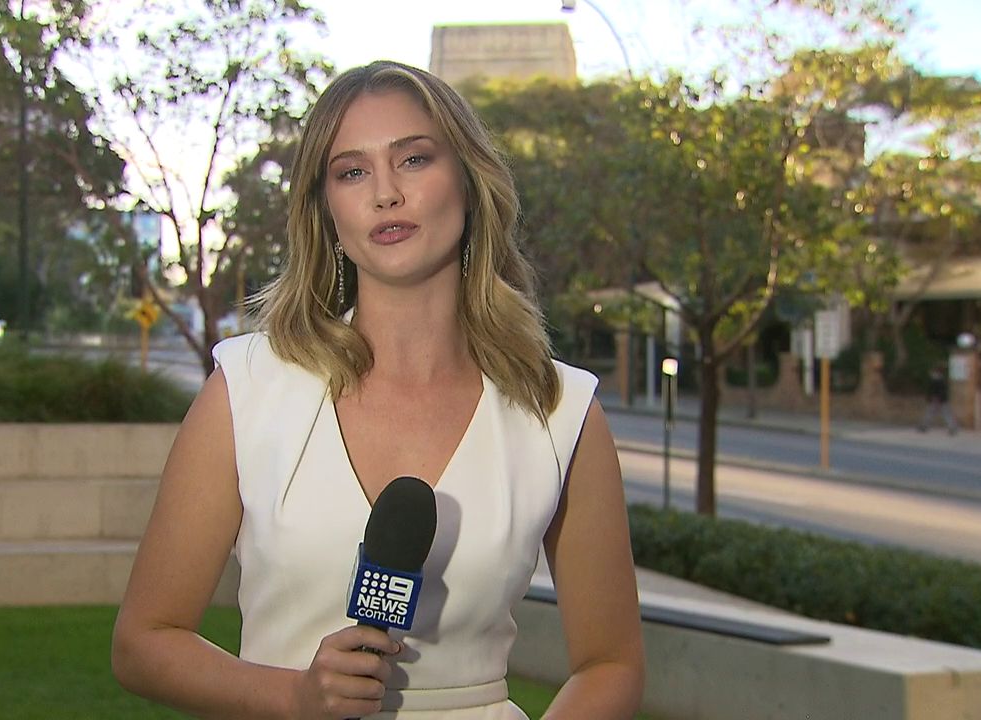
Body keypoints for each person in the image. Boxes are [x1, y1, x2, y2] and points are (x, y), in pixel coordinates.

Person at [111, 60, 645, 719]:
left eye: (414, 159)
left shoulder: (559, 411)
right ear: (327, 210)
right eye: (352, 172)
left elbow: (612, 663)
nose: (386, 193)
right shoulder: (247, 391)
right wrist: (294, 696)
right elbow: (144, 642)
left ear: (468, 181)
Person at [918, 366, 958, 435]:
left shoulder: (936, 380)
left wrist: (935, 399)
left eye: (932, 372)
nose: (931, 373)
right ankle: (952, 427)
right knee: (945, 414)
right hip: (942, 399)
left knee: (931, 413)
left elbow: (935, 391)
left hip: (937, 400)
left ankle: (924, 426)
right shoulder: (941, 380)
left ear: (936, 372)